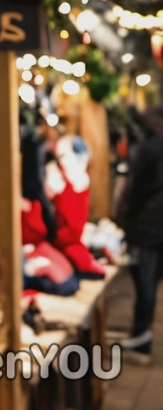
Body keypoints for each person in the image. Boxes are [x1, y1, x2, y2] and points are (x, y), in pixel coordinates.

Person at [118, 106, 163, 362]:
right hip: (153, 226)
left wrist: (125, 222)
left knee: (145, 282)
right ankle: (140, 335)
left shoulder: (148, 151)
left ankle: (141, 336)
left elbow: (134, 193)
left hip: (148, 227)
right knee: (150, 283)